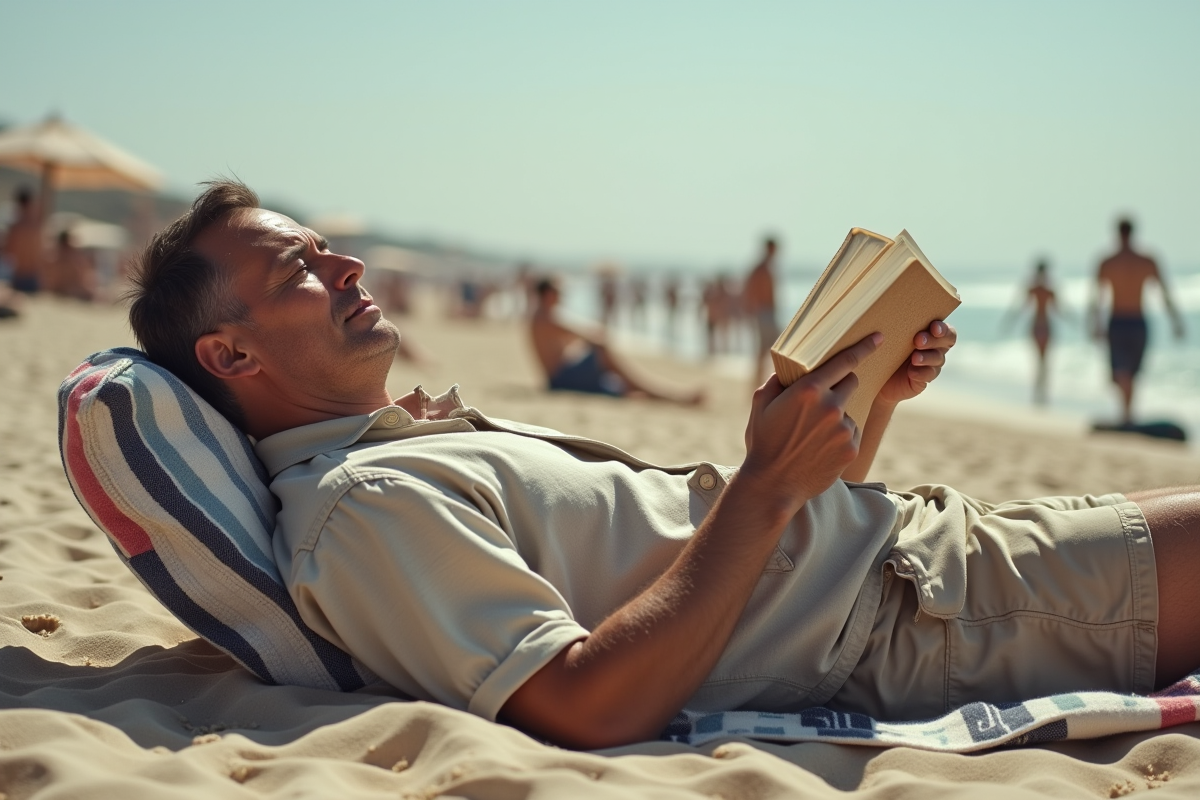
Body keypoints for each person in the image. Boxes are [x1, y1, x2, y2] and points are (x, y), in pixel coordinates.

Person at [126, 181, 1200, 751]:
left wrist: (845, 423)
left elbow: (744, 569)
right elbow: (586, 706)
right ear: (231, 354)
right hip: (933, 617)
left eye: (327, 245)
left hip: (919, 567)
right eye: (300, 268)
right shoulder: (362, 510)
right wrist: (768, 483)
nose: (345, 264)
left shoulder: (404, 452)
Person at [528, 277, 703, 404]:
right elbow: (585, 334)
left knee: (620, 385)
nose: (562, 296)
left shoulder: (543, 316)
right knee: (605, 354)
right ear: (548, 294)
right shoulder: (546, 317)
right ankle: (672, 395)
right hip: (560, 380)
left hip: (562, 376)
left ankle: (665, 394)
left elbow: (571, 342)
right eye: (559, 292)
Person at [1090, 218, 1186, 424]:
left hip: (1119, 320)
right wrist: (1175, 321)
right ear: (1133, 233)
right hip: (1135, 321)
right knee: (1125, 373)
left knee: (1126, 372)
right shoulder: (1145, 260)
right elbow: (1165, 293)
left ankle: (1126, 416)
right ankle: (1127, 415)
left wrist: (1095, 323)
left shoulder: (1108, 262)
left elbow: (1096, 299)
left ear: (1117, 233)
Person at [1001, 260, 1065, 404]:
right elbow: (1059, 310)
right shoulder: (1048, 290)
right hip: (1045, 326)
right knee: (1044, 362)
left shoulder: (1035, 289)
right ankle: (1041, 395)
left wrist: (1008, 323)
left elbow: (1019, 309)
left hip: (1037, 326)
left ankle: (1038, 394)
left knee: (1039, 362)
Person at [743, 237, 779, 384]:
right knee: (769, 349)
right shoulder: (761, 268)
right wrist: (753, 309)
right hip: (764, 313)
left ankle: (759, 382)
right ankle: (758, 383)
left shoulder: (765, 267)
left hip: (767, 312)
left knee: (766, 350)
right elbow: (749, 290)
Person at [1, 187, 46, 294]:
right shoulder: (38, 226)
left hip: (19, 276)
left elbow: (8, 252)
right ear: (30, 203)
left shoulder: (15, 228)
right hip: (35, 276)